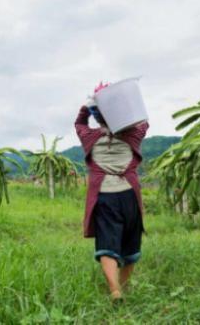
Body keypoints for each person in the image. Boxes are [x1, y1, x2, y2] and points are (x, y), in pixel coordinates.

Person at [74, 82, 149, 301]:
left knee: (107, 244)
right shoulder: (133, 137)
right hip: (129, 197)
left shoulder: (89, 138)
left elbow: (79, 123)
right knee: (130, 245)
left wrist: (88, 106)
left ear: (98, 116)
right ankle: (123, 287)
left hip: (104, 197)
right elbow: (143, 122)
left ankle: (115, 290)